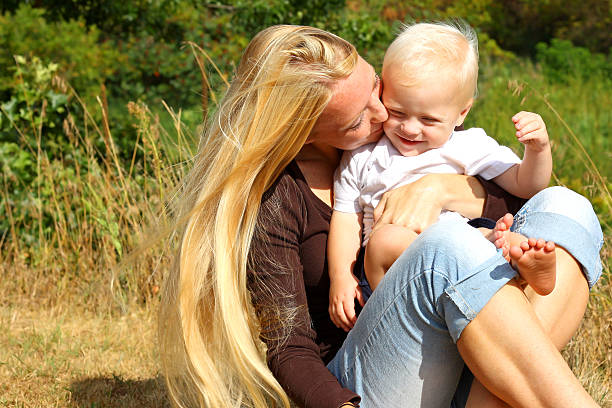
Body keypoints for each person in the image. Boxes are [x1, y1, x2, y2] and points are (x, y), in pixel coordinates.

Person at [158, 25, 603, 408]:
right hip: (377, 372)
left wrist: (440, 188)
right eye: (356, 121)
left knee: (567, 205)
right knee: (442, 247)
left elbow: (520, 202)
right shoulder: (275, 200)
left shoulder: (411, 136)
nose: (386, 116)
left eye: (376, 89)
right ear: (302, 132)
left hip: (463, 347)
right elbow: (290, 349)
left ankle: (490, 399)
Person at [328, 22, 556, 332]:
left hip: (462, 253)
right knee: (387, 239)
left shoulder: (467, 144)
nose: (409, 128)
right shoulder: (363, 155)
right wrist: (341, 275)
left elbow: (526, 184)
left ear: (461, 113)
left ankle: (520, 260)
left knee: (485, 237)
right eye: (396, 111)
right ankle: (501, 259)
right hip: (390, 273)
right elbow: (345, 219)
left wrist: (538, 149)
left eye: (428, 119)